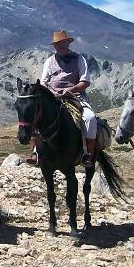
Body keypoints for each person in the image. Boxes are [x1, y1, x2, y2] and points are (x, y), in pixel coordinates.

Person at [39, 30, 97, 167]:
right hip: (53, 98)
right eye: (57, 44)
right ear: (54, 46)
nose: (60, 46)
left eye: (62, 43)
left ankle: (88, 153)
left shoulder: (79, 59)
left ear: (68, 43)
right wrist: (49, 93)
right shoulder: (49, 61)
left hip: (75, 97)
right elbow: (43, 82)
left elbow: (85, 81)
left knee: (90, 118)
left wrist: (70, 90)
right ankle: (36, 152)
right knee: (36, 117)